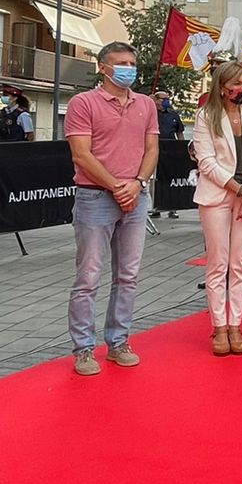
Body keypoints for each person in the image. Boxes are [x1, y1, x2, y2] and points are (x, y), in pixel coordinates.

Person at [65, 41, 158, 376]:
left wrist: (138, 183)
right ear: (103, 67)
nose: (128, 68)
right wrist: (117, 186)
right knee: (89, 276)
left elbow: (151, 149)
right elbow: (81, 154)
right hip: (95, 198)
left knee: (128, 275)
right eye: (120, 62)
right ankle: (84, 349)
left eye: (132, 62)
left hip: (135, 196)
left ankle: (118, 341)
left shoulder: (146, 104)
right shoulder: (82, 103)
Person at [193, 58, 242, 357]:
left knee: (240, 264)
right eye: (236, 83)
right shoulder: (205, 116)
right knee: (218, 263)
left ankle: (236, 324)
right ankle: (219, 327)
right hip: (216, 196)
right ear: (222, 87)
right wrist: (240, 190)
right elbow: (206, 162)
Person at [149, 89, 185, 218]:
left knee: (171, 179)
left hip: (170, 150)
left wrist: (182, 148)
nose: (166, 101)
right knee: (154, 178)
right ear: (156, 100)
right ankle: (156, 206)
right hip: (154, 149)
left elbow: (179, 132)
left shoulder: (173, 114)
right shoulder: (151, 113)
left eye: (167, 99)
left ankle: (172, 207)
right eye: (163, 99)